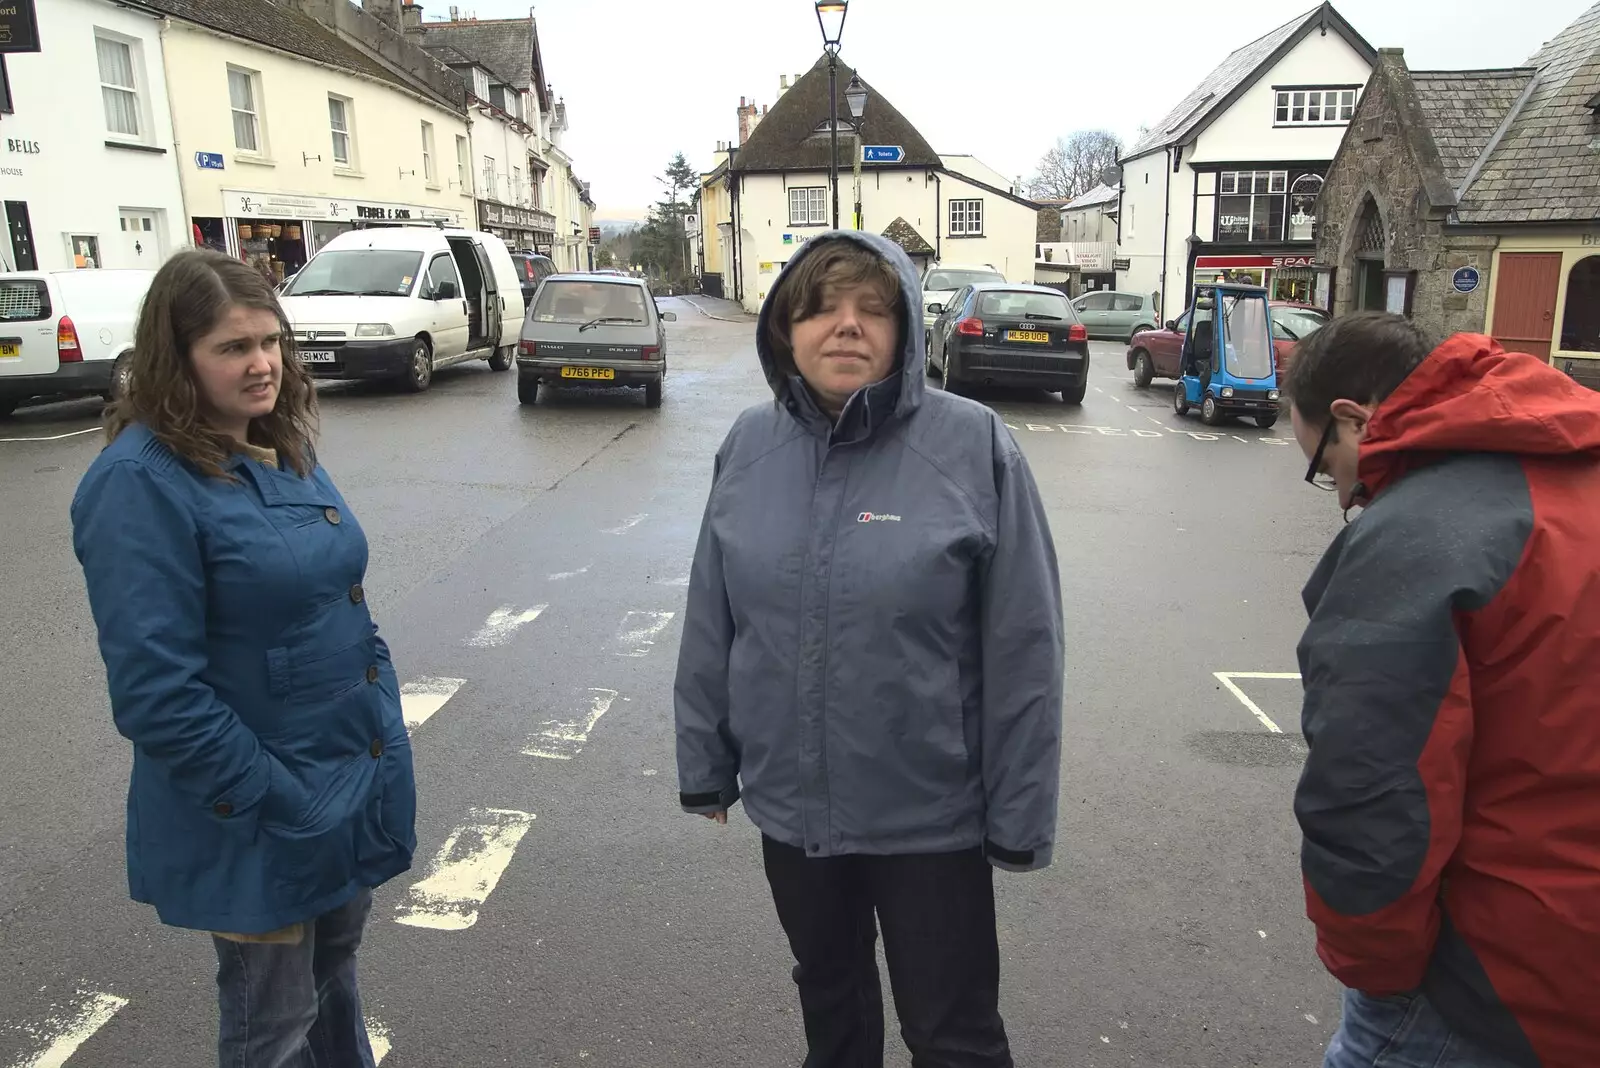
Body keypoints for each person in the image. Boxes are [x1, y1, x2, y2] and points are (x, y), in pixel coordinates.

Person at [674, 232, 1064, 1068]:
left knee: (952, 1033)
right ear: (786, 327)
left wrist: (1020, 810)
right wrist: (706, 759)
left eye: (873, 309)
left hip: (931, 819)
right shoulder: (747, 447)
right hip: (795, 808)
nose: (845, 326)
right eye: (820, 307)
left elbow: (1025, 646)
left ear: (904, 329)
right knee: (832, 1007)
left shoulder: (974, 447)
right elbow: (715, 612)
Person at [71, 248, 417, 1067]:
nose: (263, 364)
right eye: (233, 347)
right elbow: (159, 695)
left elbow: (343, 602)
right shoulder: (138, 484)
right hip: (265, 810)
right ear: (177, 358)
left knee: (334, 984)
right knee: (274, 1026)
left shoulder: (276, 444)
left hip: (347, 776)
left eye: (271, 341)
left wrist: (385, 734)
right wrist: (281, 801)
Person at [1284, 312, 1600, 1068]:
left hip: (1487, 981)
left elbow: (1373, 787)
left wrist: (1376, 968)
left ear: (1351, 419)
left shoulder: (1415, 535)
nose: (1342, 498)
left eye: (1326, 469)